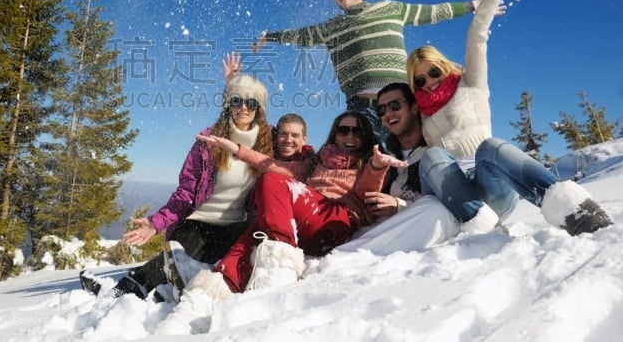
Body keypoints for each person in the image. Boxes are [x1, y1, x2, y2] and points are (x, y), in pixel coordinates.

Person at [409, 0, 613, 236]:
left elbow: (477, 37)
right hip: (453, 193)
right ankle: (482, 227)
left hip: (490, 185)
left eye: (433, 72)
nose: (429, 82)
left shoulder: (471, 85)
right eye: (420, 79)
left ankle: (576, 212)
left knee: (490, 146)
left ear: (444, 68)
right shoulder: (420, 111)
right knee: (432, 157)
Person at [156, 111, 405, 335]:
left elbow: (364, 194)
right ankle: (201, 302)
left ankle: (278, 273)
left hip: (335, 220)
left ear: (365, 135)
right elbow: (273, 165)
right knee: (255, 233)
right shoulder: (315, 163)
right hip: (304, 221)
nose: (349, 135)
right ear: (335, 134)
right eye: (344, 130)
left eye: (356, 130)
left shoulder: (367, 161)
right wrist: (236, 149)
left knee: (272, 183)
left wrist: (375, 166)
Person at [80, 74, 274, 300]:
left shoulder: (269, 142)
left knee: (221, 250)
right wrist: (155, 223)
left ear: (259, 108)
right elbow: (186, 192)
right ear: (228, 104)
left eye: (251, 103)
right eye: (236, 101)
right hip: (199, 224)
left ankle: (155, 289)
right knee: (186, 248)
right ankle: (129, 289)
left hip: (235, 227)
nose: (243, 107)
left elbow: (296, 152)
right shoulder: (207, 142)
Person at [252, 0, 495, 135]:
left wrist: (472, 5)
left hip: (403, 101)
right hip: (361, 107)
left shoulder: (389, 8)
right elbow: (300, 36)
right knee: (367, 164)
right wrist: (270, 36)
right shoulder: (331, 28)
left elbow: (431, 12)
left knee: (412, 161)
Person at [337, 82, 460, 254]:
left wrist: (398, 205)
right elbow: (363, 196)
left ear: (414, 108)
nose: (388, 113)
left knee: (435, 208)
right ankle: (346, 254)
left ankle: (348, 256)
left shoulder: (438, 148)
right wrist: (375, 167)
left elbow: (452, 200)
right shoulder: (381, 151)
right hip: (385, 229)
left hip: (430, 222)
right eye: (381, 110)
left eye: (395, 105)